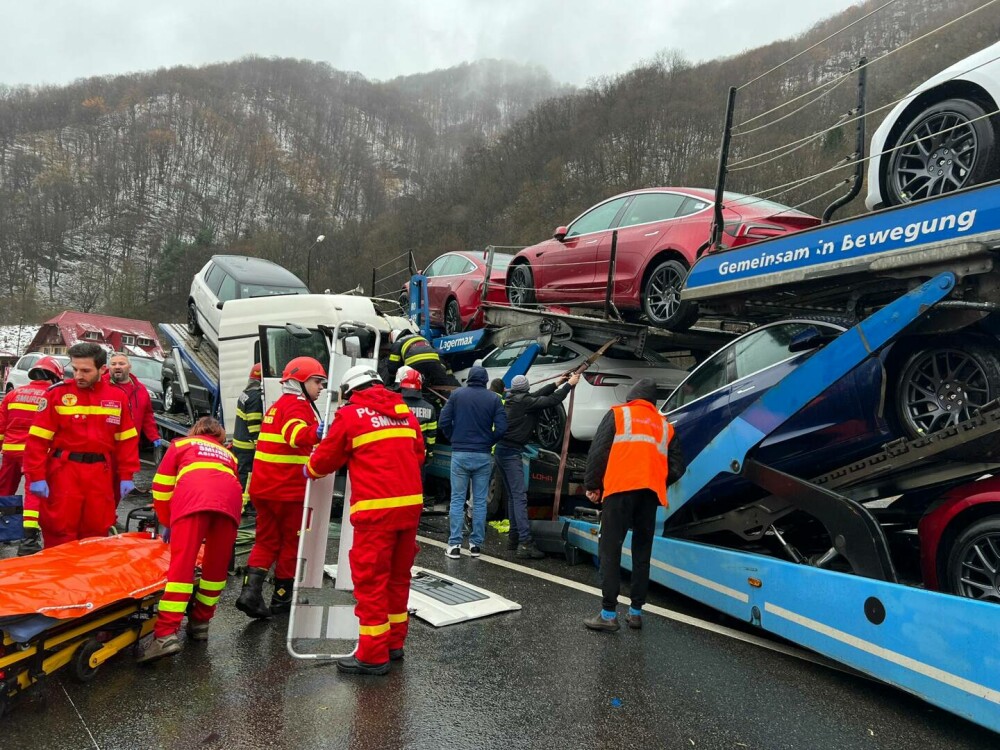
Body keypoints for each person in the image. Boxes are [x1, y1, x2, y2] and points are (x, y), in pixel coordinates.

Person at [306, 364, 425, 675]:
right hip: (410, 508)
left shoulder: (350, 416)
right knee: (398, 579)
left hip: (376, 511)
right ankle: (394, 643)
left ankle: (372, 656)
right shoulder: (405, 413)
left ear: (351, 392)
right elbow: (419, 454)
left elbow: (327, 459)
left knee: (371, 582)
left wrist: (309, 470)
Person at [582, 378, 685, 632]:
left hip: (619, 490)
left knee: (610, 549)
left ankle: (608, 614)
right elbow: (677, 468)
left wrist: (593, 485)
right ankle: (636, 613)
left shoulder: (619, 414)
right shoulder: (665, 426)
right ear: (653, 402)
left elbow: (599, 451)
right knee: (641, 553)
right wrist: (656, 478)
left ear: (631, 396)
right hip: (649, 494)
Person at [138, 417, 243, 663]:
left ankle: (165, 635)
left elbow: (162, 487)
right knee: (215, 569)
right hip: (229, 506)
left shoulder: (181, 446)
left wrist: (168, 521)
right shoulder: (229, 456)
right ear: (219, 436)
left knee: (182, 569)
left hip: (193, 503)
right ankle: (200, 623)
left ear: (193, 432)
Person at [22, 343, 140, 548]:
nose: (78, 376)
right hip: (64, 472)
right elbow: (37, 441)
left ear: (102, 370)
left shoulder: (116, 397)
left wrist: (127, 475)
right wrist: (37, 476)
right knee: (60, 529)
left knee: (96, 531)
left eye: (85, 371)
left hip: (99, 474)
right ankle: (58, 575)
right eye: (75, 369)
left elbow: (126, 441)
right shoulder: (57, 395)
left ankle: (88, 578)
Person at [236, 356, 326, 620]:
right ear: (300, 381)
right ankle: (282, 600)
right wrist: (321, 432)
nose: (321, 388)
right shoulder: (297, 406)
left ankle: (250, 594)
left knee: (266, 540)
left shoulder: (277, 405)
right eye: (317, 382)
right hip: (287, 489)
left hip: (265, 488)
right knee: (291, 542)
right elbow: (296, 435)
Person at [496, 372, 579, 559]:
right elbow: (551, 401)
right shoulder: (525, 402)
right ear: (525, 389)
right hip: (511, 453)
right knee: (519, 497)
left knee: (512, 496)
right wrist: (570, 385)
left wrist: (557, 382)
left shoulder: (512, 399)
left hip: (502, 451)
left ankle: (514, 538)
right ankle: (525, 543)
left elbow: (537, 395)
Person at [438, 365, 506, 559]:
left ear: (469, 379)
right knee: (479, 501)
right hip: (483, 455)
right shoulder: (494, 398)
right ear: (485, 381)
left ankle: (454, 544)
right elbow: (502, 427)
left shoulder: (457, 395)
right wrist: (489, 441)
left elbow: (444, 420)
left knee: (457, 499)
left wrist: (454, 438)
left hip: (460, 453)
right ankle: (476, 545)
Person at [0, 356, 64, 555]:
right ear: (54, 377)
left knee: (4, 491)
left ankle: (4, 531)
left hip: (10, 451)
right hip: (34, 454)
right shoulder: (52, 396)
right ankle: (29, 540)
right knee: (33, 495)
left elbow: (1, 426)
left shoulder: (13, 394)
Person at [104, 352, 164, 506]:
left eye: (121, 364)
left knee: (119, 488)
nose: (117, 367)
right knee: (101, 489)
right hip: (103, 449)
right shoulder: (101, 386)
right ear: (108, 367)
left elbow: (147, 415)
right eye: (114, 364)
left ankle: (111, 517)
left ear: (129, 367)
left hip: (127, 448)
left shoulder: (140, 390)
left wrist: (154, 436)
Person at [398, 368, 437, 494]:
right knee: (416, 486)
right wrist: (430, 454)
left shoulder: (395, 405)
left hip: (398, 454)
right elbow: (432, 435)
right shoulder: (429, 408)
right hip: (418, 455)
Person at [231, 362, 263, 509]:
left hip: (239, 442)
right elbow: (254, 424)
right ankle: (243, 505)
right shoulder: (256, 397)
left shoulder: (245, 393)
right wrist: (259, 444)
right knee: (247, 475)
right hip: (247, 445)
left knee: (242, 473)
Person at [387, 329, 458, 387]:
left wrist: (393, 380)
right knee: (443, 385)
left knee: (414, 385)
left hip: (413, 362)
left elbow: (393, 365)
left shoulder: (398, 342)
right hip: (433, 360)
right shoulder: (420, 337)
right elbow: (434, 351)